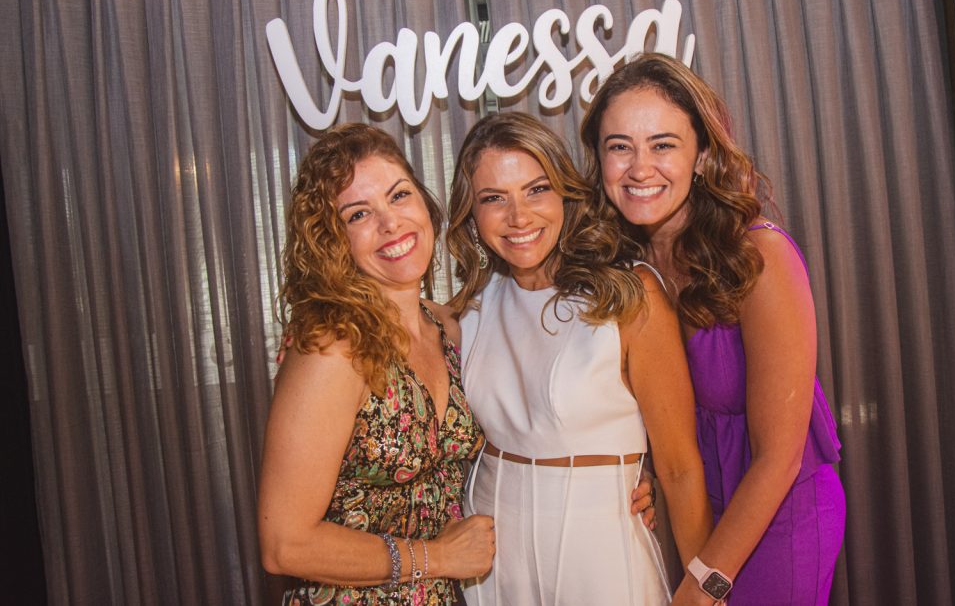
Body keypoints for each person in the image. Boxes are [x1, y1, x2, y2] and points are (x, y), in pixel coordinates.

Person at [580, 52, 846, 605]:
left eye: (663, 145)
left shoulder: (759, 255)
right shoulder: (624, 271)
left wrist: (704, 583)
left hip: (779, 514)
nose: (639, 168)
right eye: (619, 147)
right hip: (695, 513)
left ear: (701, 154)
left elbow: (780, 457)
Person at [446, 112, 713, 605]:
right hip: (493, 563)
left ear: (566, 195)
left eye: (536, 189)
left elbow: (679, 467)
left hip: (601, 557)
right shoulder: (473, 308)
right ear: (471, 213)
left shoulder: (631, 295)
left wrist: (704, 591)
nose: (519, 217)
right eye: (493, 199)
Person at [257, 123, 495, 605]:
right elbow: (284, 545)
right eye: (359, 213)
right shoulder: (331, 349)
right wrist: (436, 558)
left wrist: (623, 474)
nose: (391, 224)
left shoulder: (448, 325)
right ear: (333, 240)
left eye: (399, 195)